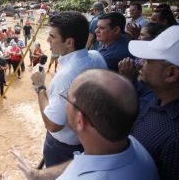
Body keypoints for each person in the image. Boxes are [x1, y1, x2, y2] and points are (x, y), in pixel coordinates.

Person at [13, 69, 159, 180]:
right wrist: (37, 175)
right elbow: (83, 162)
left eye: (67, 99)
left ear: (80, 120)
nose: (64, 105)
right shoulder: (132, 145)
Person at [31, 11, 107, 167]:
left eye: (52, 37)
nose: (47, 40)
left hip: (63, 148)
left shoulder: (65, 76)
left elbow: (53, 124)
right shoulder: (96, 56)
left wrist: (40, 87)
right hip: (88, 140)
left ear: (69, 42)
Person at [128, 25, 179, 179]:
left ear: (171, 73)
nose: (140, 62)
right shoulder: (158, 99)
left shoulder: (177, 140)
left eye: (148, 60)